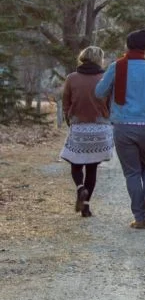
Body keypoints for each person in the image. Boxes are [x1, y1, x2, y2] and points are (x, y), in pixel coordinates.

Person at [95, 29, 145, 229]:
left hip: (123, 126)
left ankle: (139, 218)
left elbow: (99, 91)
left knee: (132, 173)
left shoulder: (117, 66)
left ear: (127, 46)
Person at [60, 46, 114, 217]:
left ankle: (80, 188)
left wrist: (70, 119)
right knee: (92, 168)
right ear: (99, 59)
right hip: (100, 128)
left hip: (79, 126)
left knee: (75, 164)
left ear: (82, 58)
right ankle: (86, 207)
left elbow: (66, 102)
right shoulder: (105, 78)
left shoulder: (71, 78)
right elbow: (111, 103)